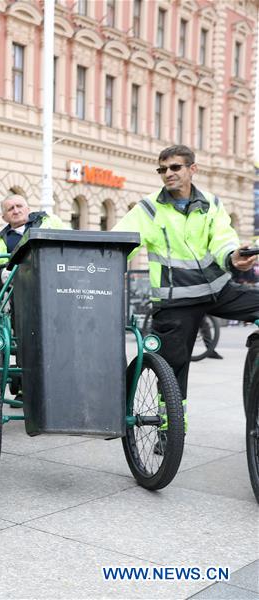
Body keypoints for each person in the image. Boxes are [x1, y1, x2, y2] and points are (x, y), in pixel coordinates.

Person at [114, 144, 258, 449]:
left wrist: (233, 257)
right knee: (173, 367)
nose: (168, 174)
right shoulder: (148, 209)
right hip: (175, 300)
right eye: (163, 169)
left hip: (217, 289)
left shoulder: (211, 204)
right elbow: (120, 241)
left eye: (175, 167)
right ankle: (169, 431)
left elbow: (223, 238)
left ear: (192, 169)